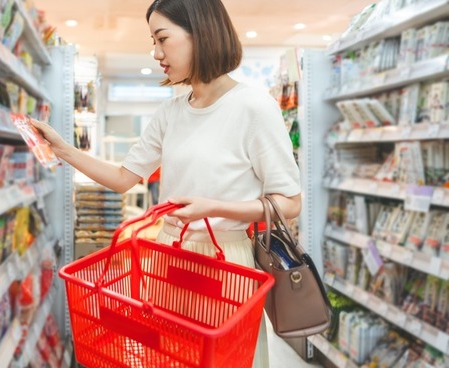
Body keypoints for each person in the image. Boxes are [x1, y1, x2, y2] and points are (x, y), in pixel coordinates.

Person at [31, 0, 301, 366]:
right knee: (169, 356)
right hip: (169, 256)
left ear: (200, 33)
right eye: (152, 41)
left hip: (224, 265)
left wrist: (215, 208)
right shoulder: (171, 111)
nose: (156, 52)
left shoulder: (253, 106)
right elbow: (124, 178)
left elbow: (288, 202)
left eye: (162, 38)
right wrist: (63, 149)